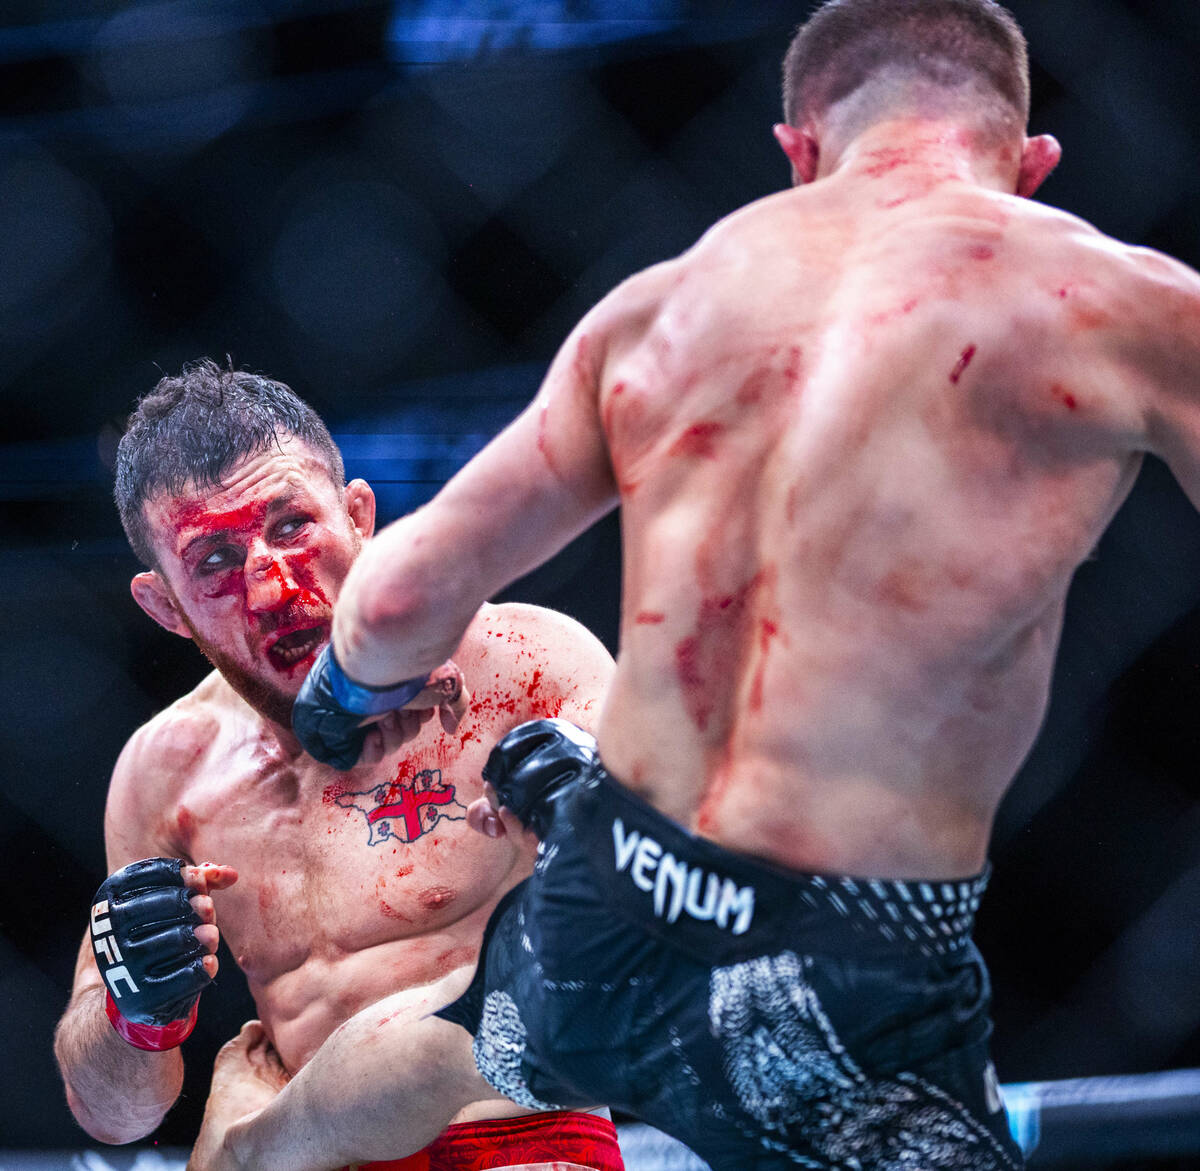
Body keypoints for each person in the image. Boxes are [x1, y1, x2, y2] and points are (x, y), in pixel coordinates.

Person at [186, 0, 1200, 1165]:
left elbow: (405, 590)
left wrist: (336, 707)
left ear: (797, 152)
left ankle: (262, 1142)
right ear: (1033, 165)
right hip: (849, 942)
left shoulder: (661, 308)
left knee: (468, 1040)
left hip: (616, 898)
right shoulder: (1122, 302)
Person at [51, 360, 623, 1171]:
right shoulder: (163, 771)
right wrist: (130, 1009)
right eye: (213, 560)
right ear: (164, 606)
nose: (274, 586)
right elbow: (114, 1113)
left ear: (359, 515)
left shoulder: (526, 669)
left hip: (517, 1138)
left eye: (291, 525)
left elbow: (681, 921)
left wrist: (609, 822)